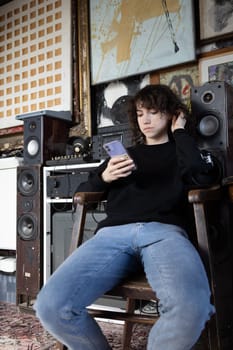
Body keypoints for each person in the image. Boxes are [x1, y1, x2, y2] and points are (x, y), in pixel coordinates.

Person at [34, 84, 216, 350]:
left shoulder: (183, 153)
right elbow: (83, 191)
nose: (146, 119)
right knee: (50, 306)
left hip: (163, 233)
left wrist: (180, 133)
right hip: (112, 236)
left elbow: (202, 175)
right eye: (141, 113)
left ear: (173, 114)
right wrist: (105, 177)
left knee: (192, 308)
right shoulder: (124, 155)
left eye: (154, 112)